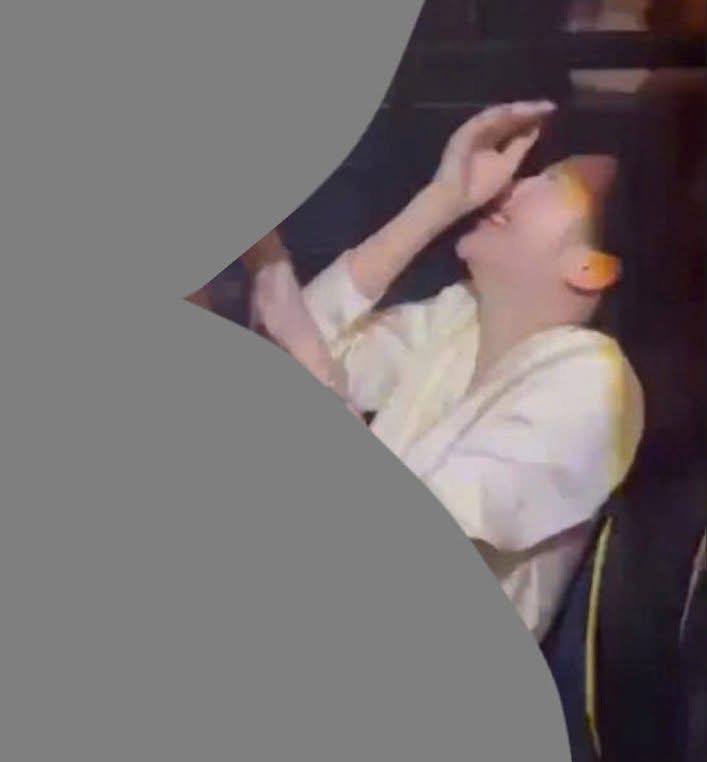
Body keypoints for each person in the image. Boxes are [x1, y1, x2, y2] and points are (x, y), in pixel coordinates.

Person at [248, 101, 645, 641]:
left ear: (591, 267)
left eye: (552, 182)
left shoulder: (592, 386)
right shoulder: (460, 317)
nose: (515, 186)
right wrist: (439, 202)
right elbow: (291, 350)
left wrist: (278, 288)